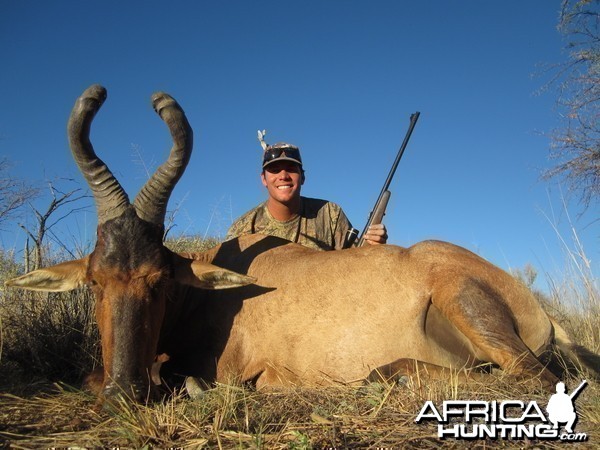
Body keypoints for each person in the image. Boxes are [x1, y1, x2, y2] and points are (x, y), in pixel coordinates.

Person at [226, 140, 387, 250]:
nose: (283, 176)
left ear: (302, 177)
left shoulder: (330, 214)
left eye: (290, 169)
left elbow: (355, 261)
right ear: (264, 179)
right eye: (274, 170)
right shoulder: (243, 228)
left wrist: (374, 247)